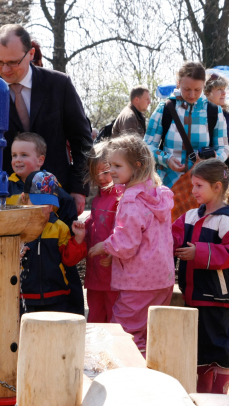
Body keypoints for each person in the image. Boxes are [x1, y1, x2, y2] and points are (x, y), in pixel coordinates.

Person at [0, 24, 93, 215]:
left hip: (55, 197)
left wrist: (79, 188)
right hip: (2, 199)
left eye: (13, 62)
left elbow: (83, 143)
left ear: (30, 53)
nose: (5, 69)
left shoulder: (59, 85)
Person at [88, 134, 175, 355]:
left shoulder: (130, 199)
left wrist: (104, 246)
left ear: (137, 166)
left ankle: (136, 379)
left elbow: (126, 244)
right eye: (110, 165)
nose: (112, 171)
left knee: (125, 335)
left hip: (137, 281)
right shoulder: (160, 194)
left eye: (117, 165)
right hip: (162, 279)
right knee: (151, 333)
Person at [171, 159, 229, 394]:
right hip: (193, 294)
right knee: (199, 348)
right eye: (193, 185)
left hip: (216, 297)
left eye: (198, 186)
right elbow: (171, 237)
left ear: (217, 187)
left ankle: (219, 394)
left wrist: (199, 252)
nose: (193, 191)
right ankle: (202, 393)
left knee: (219, 347)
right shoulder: (190, 217)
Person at [144, 62, 229, 221]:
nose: (191, 95)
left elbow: (224, 148)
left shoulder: (213, 111)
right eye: (187, 89)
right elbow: (147, 146)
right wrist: (166, 159)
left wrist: (208, 161)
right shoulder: (165, 109)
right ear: (178, 84)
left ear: (204, 86)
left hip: (204, 189)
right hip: (168, 187)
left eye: (197, 90)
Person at [18, 170, 87, 313]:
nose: (46, 209)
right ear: (24, 198)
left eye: (50, 204)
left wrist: (78, 239)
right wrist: (15, 254)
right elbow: (5, 258)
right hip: (25, 296)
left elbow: (69, 260)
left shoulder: (59, 227)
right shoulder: (17, 227)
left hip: (57, 295)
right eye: (39, 203)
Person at [83, 143, 123, 323]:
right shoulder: (99, 199)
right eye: (97, 173)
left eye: (106, 172)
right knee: (95, 319)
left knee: (114, 320)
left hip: (112, 274)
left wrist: (113, 254)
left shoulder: (120, 198)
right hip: (95, 274)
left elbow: (123, 233)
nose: (101, 178)